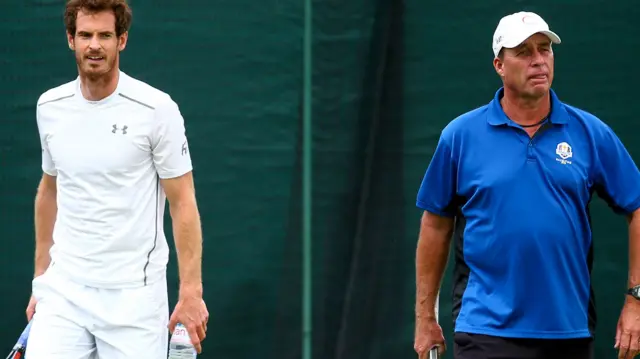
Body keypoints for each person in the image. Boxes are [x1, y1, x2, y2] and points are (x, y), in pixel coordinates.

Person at [413, 10, 640, 359]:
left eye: (544, 49)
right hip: (484, 328)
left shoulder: (590, 133)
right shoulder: (460, 136)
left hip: (569, 329)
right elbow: (435, 226)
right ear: (499, 65)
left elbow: (636, 206)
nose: (538, 61)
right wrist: (425, 319)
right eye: (523, 52)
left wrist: (635, 300)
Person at [25, 0, 209, 358]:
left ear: (121, 40)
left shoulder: (157, 110)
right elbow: (50, 190)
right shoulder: (49, 107)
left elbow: (183, 202)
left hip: (134, 299)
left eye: (105, 35)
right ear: (71, 40)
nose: (94, 45)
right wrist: (41, 278)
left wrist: (191, 292)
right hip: (64, 291)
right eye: (85, 35)